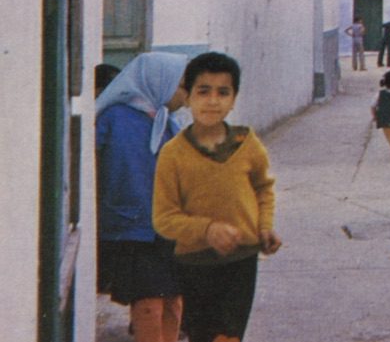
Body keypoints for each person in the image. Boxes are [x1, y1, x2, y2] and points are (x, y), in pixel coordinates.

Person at [152, 52, 281, 342]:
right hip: (195, 263)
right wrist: (207, 229)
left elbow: (263, 187)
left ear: (234, 98)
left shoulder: (247, 143)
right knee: (204, 336)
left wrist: (264, 226)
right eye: (203, 91)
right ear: (188, 97)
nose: (213, 101)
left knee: (229, 337)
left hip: (242, 259)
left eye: (223, 92)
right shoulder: (173, 154)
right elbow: (164, 218)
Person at [96, 52, 189, 342]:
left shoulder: (168, 123)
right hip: (134, 229)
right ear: (158, 81)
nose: (185, 95)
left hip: (168, 228)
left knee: (173, 300)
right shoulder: (114, 119)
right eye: (182, 86)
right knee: (149, 303)